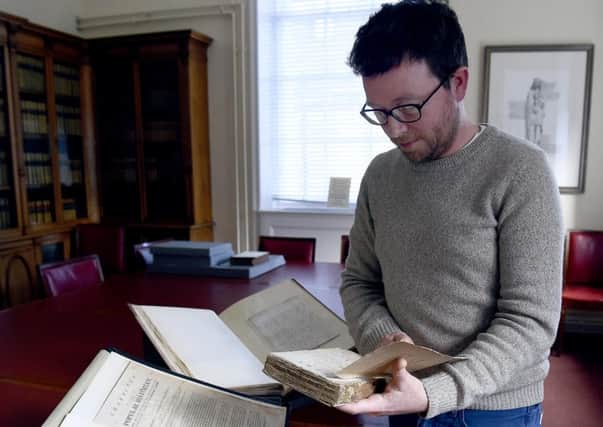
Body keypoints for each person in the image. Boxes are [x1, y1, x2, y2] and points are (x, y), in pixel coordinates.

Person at [338, 1, 564, 426]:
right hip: (402, 395)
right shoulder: (380, 175)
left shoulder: (520, 171)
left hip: (493, 411)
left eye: (407, 109)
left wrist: (432, 393)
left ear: (457, 83)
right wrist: (383, 340)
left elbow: (530, 322)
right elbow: (359, 281)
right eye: (378, 112)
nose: (394, 129)